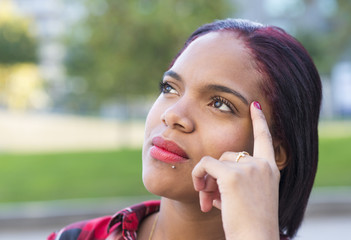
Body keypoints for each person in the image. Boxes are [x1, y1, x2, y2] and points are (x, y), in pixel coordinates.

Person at [48, 18, 322, 240]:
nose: (173, 115)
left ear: (275, 152)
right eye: (170, 88)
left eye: (220, 104)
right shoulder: (73, 238)